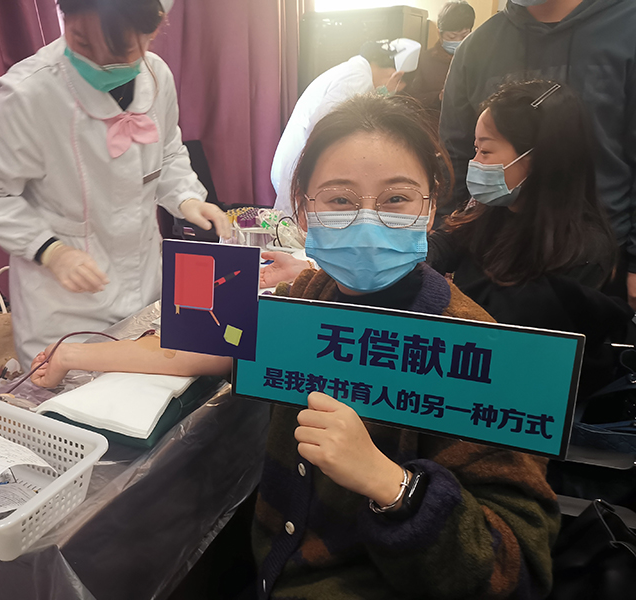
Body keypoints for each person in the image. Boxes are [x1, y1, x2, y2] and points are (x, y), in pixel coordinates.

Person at [31, 94, 560, 599]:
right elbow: (208, 344)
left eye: (396, 199)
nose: (368, 220)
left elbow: (518, 570)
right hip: (277, 575)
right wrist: (72, 356)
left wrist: (393, 485)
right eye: (340, 200)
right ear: (303, 213)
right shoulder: (309, 297)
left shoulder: (479, 352)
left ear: (430, 207)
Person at [0, 0, 230, 364]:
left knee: (150, 388)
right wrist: (50, 250)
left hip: (145, 287)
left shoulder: (157, 76)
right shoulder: (29, 92)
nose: (99, 61)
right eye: (82, 41)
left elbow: (168, 153)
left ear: (155, 28)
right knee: (69, 393)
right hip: (64, 309)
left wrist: (187, 198)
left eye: (120, 50)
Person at [429, 80, 631, 396]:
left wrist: (436, 292)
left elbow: (513, 339)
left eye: (486, 150)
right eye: (475, 148)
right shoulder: (491, 211)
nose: (475, 162)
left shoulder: (583, 250)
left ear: (537, 158)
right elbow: (447, 241)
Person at [439, 0, 636, 307]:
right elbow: (456, 152)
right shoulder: (477, 47)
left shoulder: (627, 27)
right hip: (492, 246)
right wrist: (445, 235)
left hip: (599, 257)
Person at [270, 38, 420, 217]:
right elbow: (323, 129)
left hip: (295, 161)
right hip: (302, 164)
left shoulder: (353, 70)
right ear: (397, 76)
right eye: (397, 89)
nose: (389, 93)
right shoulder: (360, 79)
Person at [407, 1, 475, 114]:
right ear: (439, 33)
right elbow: (410, 99)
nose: (458, 41)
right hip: (434, 120)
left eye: (464, 36)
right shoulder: (424, 60)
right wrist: (438, 96)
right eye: (452, 37)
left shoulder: (476, 60)